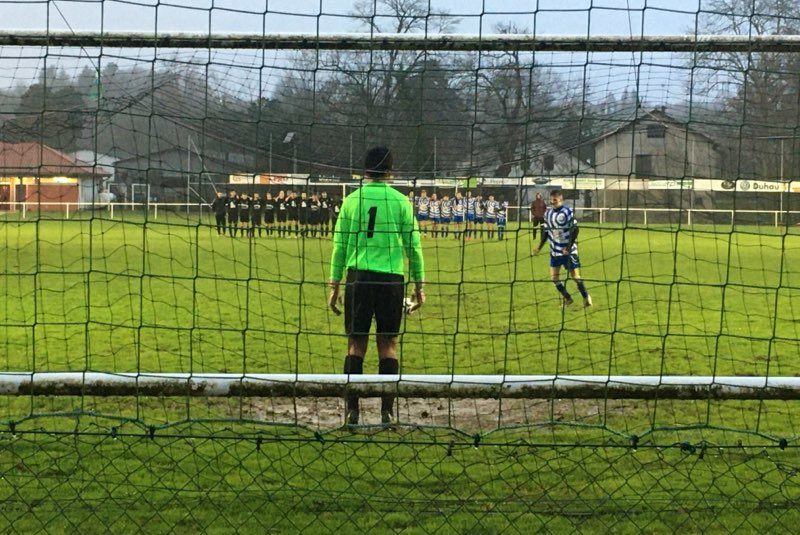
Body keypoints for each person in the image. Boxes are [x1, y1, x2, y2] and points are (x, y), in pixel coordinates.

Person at [328, 147, 426, 426]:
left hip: (358, 278)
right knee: (388, 345)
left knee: (355, 344)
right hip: (391, 279)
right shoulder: (400, 202)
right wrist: (419, 286)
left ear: (365, 170)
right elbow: (414, 248)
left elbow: (340, 247)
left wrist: (334, 285)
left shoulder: (351, 201)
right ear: (390, 171)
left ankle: (352, 412)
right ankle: (387, 412)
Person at [531, 190, 592, 308]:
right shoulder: (548, 214)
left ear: (561, 200)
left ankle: (586, 297)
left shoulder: (567, 211)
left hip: (568, 251)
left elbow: (575, 229)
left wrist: (568, 247)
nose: (552, 202)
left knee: (575, 276)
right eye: (551, 199)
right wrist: (539, 247)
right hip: (555, 251)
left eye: (555, 200)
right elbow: (546, 233)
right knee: (554, 278)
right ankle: (568, 298)